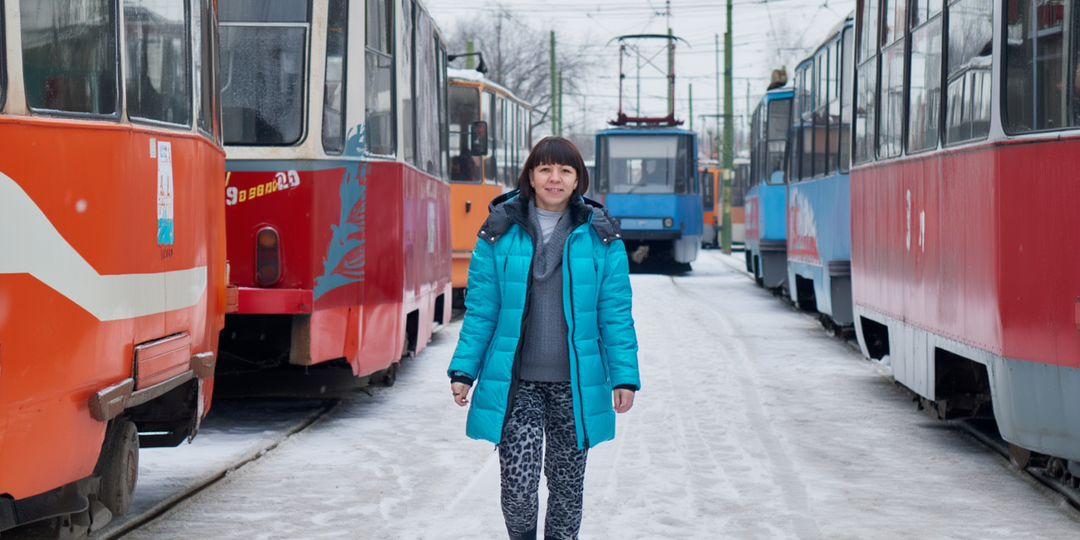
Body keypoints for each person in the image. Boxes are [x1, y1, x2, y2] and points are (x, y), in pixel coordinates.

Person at [448, 137, 640, 540]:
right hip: (518, 383)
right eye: (545, 169)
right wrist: (465, 369)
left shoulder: (602, 237)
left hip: (576, 384)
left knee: (567, 490)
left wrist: (624, 377)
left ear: (577, 180)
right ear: (530, 176)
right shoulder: (498, 232)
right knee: (518, 488)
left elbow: (616, 315)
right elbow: (482, 309)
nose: (555, 178)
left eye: (565, 171)